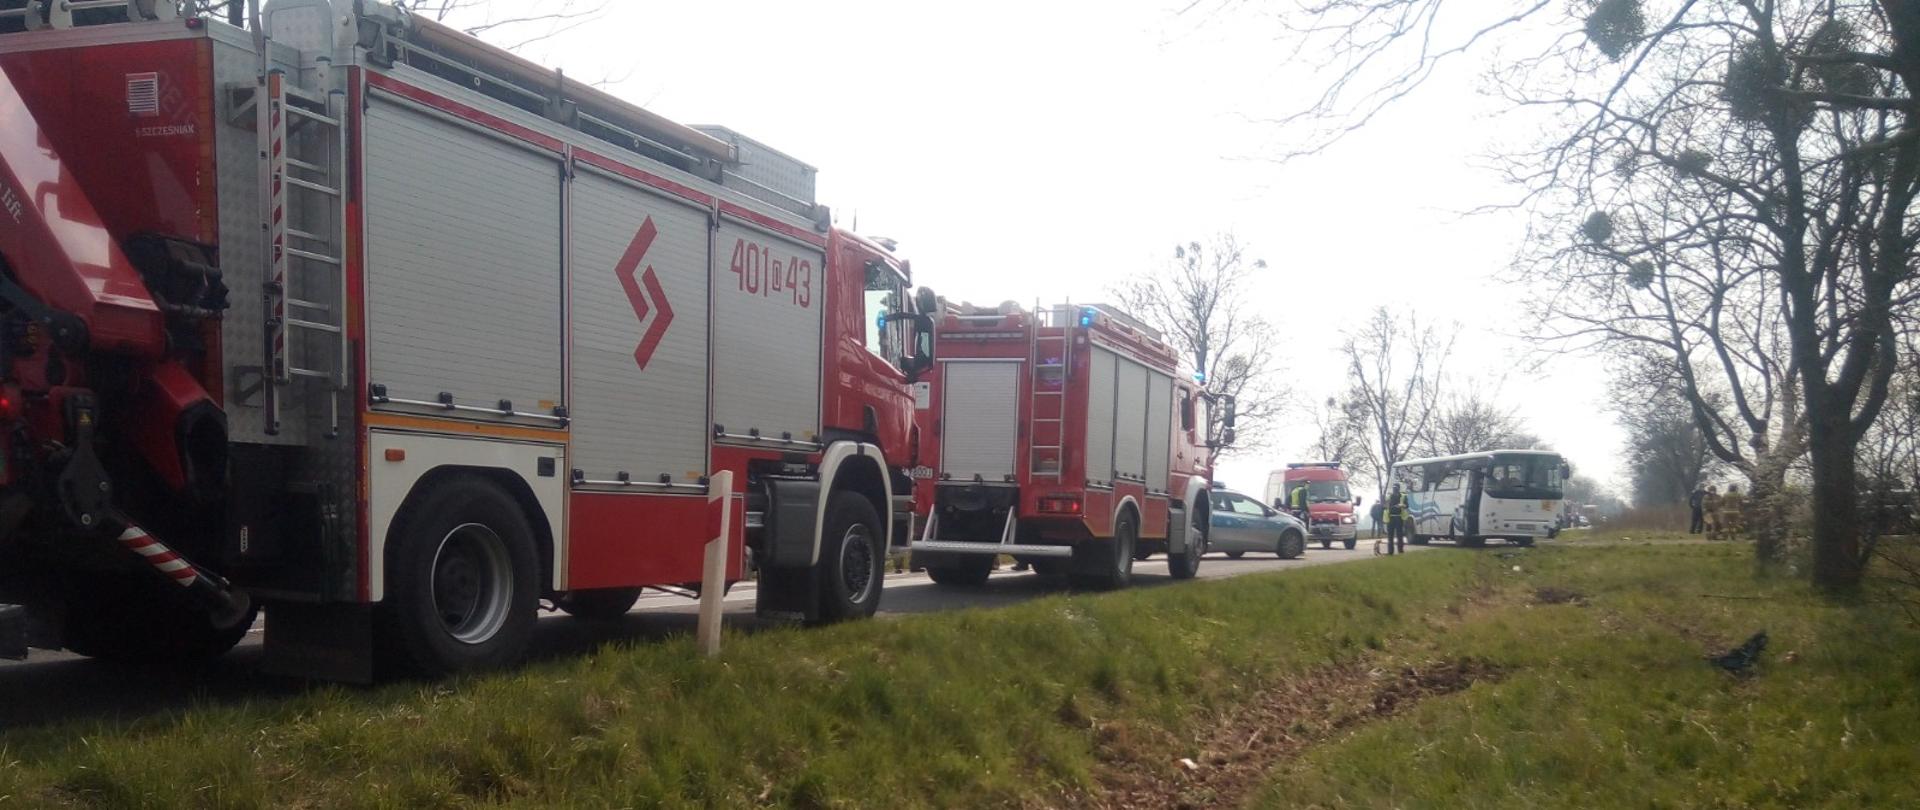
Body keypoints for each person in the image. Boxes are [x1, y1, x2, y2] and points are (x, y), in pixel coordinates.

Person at [1385, 484, 1409, 555]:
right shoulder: (1389, 496)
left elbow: (1407, 505)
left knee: (1399, 535)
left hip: (1399, 517)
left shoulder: (1403, 496)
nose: (1394, 490)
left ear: (1398, 489)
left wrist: (1402, 505)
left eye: (1396, 488)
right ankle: (1390, 551)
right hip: (1390, 517)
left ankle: (1400, 550)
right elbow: (1385, 505)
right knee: (1390, 536)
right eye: (1393, 488)